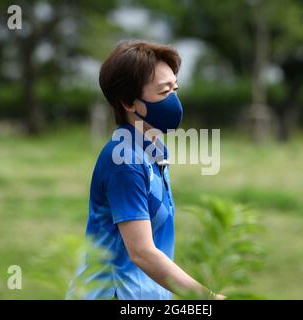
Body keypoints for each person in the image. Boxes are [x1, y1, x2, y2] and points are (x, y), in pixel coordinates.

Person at [66, 40, 225, 300]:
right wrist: (208, 298)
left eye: (175, 89)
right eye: (164, 92)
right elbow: (142, 252)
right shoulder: (124, 161)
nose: (173, 100)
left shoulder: (154, 151)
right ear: (129, 103)